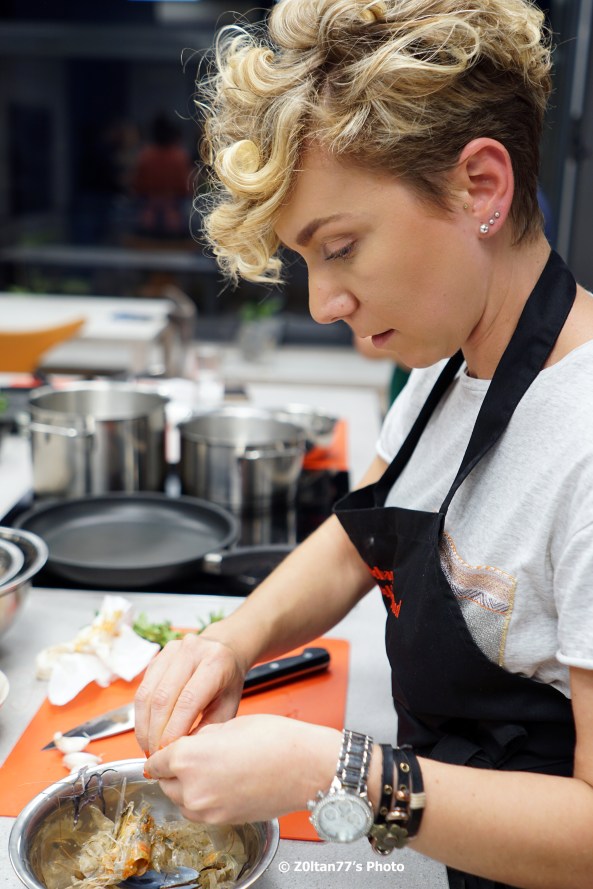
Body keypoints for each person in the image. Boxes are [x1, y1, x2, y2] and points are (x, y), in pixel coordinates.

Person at [135, 2, 593, 887]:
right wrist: (231, 641)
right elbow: (359, 534)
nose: (321, 303)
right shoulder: (447, 360)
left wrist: (333, 770)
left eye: (340, 246)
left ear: (481, 187)